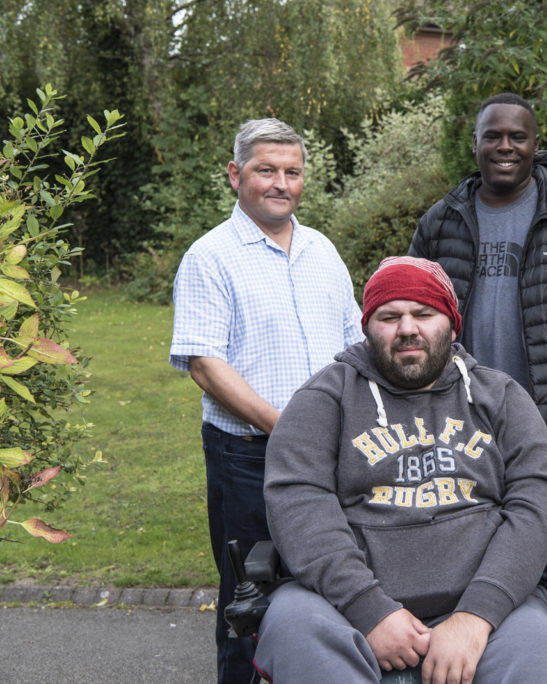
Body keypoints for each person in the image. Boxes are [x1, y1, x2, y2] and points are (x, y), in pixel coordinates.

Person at [254, 256, 547, 684]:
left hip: (485, 606)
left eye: (424, 313)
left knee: (533, 650)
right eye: (389, 316)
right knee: (292, 623)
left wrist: (476, 615)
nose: (407, 328)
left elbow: (538, 508)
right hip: (342, 607)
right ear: (367, 328)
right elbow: (300, 507)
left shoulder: (502, 397)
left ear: (453, 325)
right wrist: (369, 610)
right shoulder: (322, 399)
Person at [409, 92, 547, 678]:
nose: (505, 146)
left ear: (536, 144)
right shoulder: (441, 220)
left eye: (518, 136)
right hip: (453, 425)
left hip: (546, 427)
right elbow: (411, 312)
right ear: (477, 142)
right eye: (494, 135)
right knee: (453, 552)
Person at [169, 118, 363, 683]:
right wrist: (290, 427)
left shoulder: (322, 250)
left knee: (333, 581)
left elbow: (354, 342)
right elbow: (205, 364)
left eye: (292, 172)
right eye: (265, 171)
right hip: (249, 456)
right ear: (236, 175)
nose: (281, 183)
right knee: (250, 599)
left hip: (335, 453)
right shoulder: (211, 256)